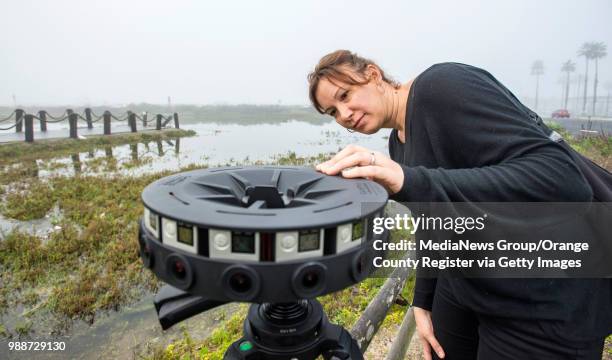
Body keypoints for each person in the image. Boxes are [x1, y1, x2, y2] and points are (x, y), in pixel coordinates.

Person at [307, 49, 611, 359]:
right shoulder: (398, 142)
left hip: (544, 298)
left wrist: (411, 181)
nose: (343, 114)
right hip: (471, 281)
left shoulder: (441, 86)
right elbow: (435, 222)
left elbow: (562, 179)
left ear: (373, 74)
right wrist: (423, 300)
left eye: (345, 95)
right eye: (332, 112)